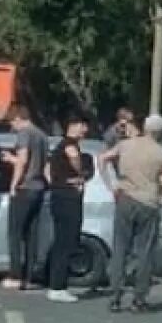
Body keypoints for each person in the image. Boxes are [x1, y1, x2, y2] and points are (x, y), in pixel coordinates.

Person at [99, 114, 162, 313]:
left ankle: (115, 296)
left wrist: (111, 185)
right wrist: (159, 202)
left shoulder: (126, 145)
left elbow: (103, 158)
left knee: (120, 248)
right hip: (148, 202)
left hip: (125, 198)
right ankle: (139, 298)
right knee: (144, 252)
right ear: (160, 132)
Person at [0, 105, 49, 290]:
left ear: (19, 118)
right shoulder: (42, 135)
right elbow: (42, 164)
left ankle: (15, 276)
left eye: (12, 122)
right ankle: (29, 276)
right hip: (39, 187)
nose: (12, 127)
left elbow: (23, 160)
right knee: (31, 234)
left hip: (25, 187)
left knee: (15, 233)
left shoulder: (25, 134)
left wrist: (13, 185)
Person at [45, 115, 91, 303]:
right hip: (68, 199)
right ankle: (58, 287)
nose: (85, 130)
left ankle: (56, 284)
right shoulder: (70, 144)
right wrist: (80, 175)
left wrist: (55, 183)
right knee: (67, 241)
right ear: (75, 126)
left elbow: (47, 168)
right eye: (83, 126)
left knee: (61, 241)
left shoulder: (58, 146)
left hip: (58, 195)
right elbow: (74, 157)